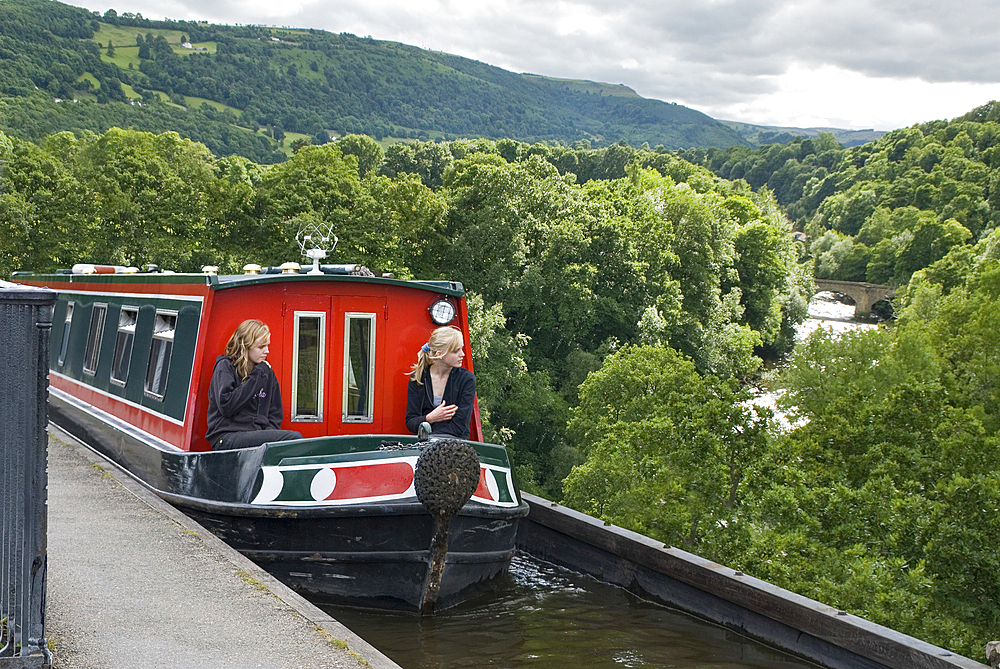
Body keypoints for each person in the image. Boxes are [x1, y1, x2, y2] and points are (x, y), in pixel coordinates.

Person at [206, 319, 302, 450]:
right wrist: (256, 376)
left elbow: (274, 416)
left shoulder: (267, 374)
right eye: (261, 347)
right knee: (294, 438)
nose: (267, 351)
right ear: (245, 346)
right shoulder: (225, 367)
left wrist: (269, 443)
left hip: (256, 436)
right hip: (226, 436)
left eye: (268, 345)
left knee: (291, 441)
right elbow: (227, 407)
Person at [405, 326, 475, 440]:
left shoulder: (466, 379)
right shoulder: (418, 378)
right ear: (439, 354)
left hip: (456, 445)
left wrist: (429, 433)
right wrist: (430, 418)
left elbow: (460, 426)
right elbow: (411, 422)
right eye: (456, 351)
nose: (462, 354)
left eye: (461, 349)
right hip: (424, 445)